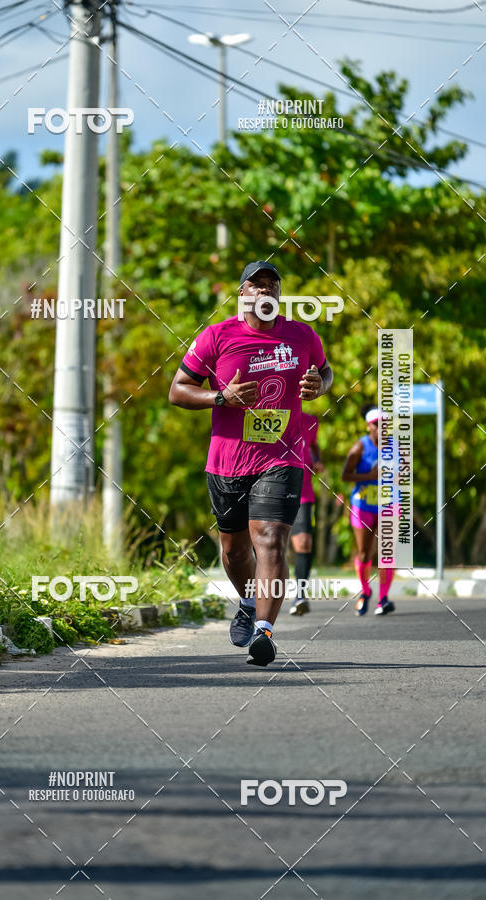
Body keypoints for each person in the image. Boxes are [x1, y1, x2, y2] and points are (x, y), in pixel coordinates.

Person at [168, 260, 333, 666]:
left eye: (272, 285)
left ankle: (264, 632)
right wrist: (221, 397)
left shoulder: (303, 335)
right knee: (234, 552)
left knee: (272, 538)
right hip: (227, 460)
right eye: (255, 285)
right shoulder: (215, 336)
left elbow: (326, 372)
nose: (264, 291)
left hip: (282, 455)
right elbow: (177, 390)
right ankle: (246, 601)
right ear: (241, 294)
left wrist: (318, 385)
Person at [342, 404, 395, 616]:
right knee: (364, 554)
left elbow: (403, 474)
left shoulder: (396, 447)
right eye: (375, 424)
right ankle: (365, 592)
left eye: (384, 424)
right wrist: (369, 477)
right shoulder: (359, 448)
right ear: (368, 426)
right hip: (363, 505)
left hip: (389, 503)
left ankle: (383, 599)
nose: (380, 428)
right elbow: (345, 476)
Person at [288, 412, 324, 616]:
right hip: (273, 491)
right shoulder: (272, 412)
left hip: (303, 493)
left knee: (304, 542)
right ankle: (256, 599)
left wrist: (317, 460)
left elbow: (313, 445)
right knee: (267, 543)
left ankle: (300, 595)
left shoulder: (311, 421)